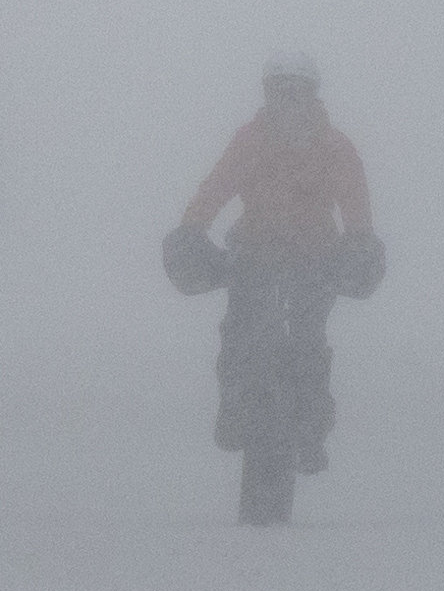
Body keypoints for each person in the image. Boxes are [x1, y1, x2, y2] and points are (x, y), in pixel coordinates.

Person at [164, 52, 384, 488]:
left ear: (311, 95)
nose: (289, 101)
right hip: (254, 254)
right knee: (238, 337)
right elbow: (217, 186)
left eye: (297, 92)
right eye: (281, 91)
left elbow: (355, 202)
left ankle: (310, 434)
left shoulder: (335, 146)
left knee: (309, 343)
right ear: (269, 94)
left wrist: (359, 239)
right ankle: (234, 412)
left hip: (314, 259)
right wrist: (192, 226)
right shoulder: (249, 140)